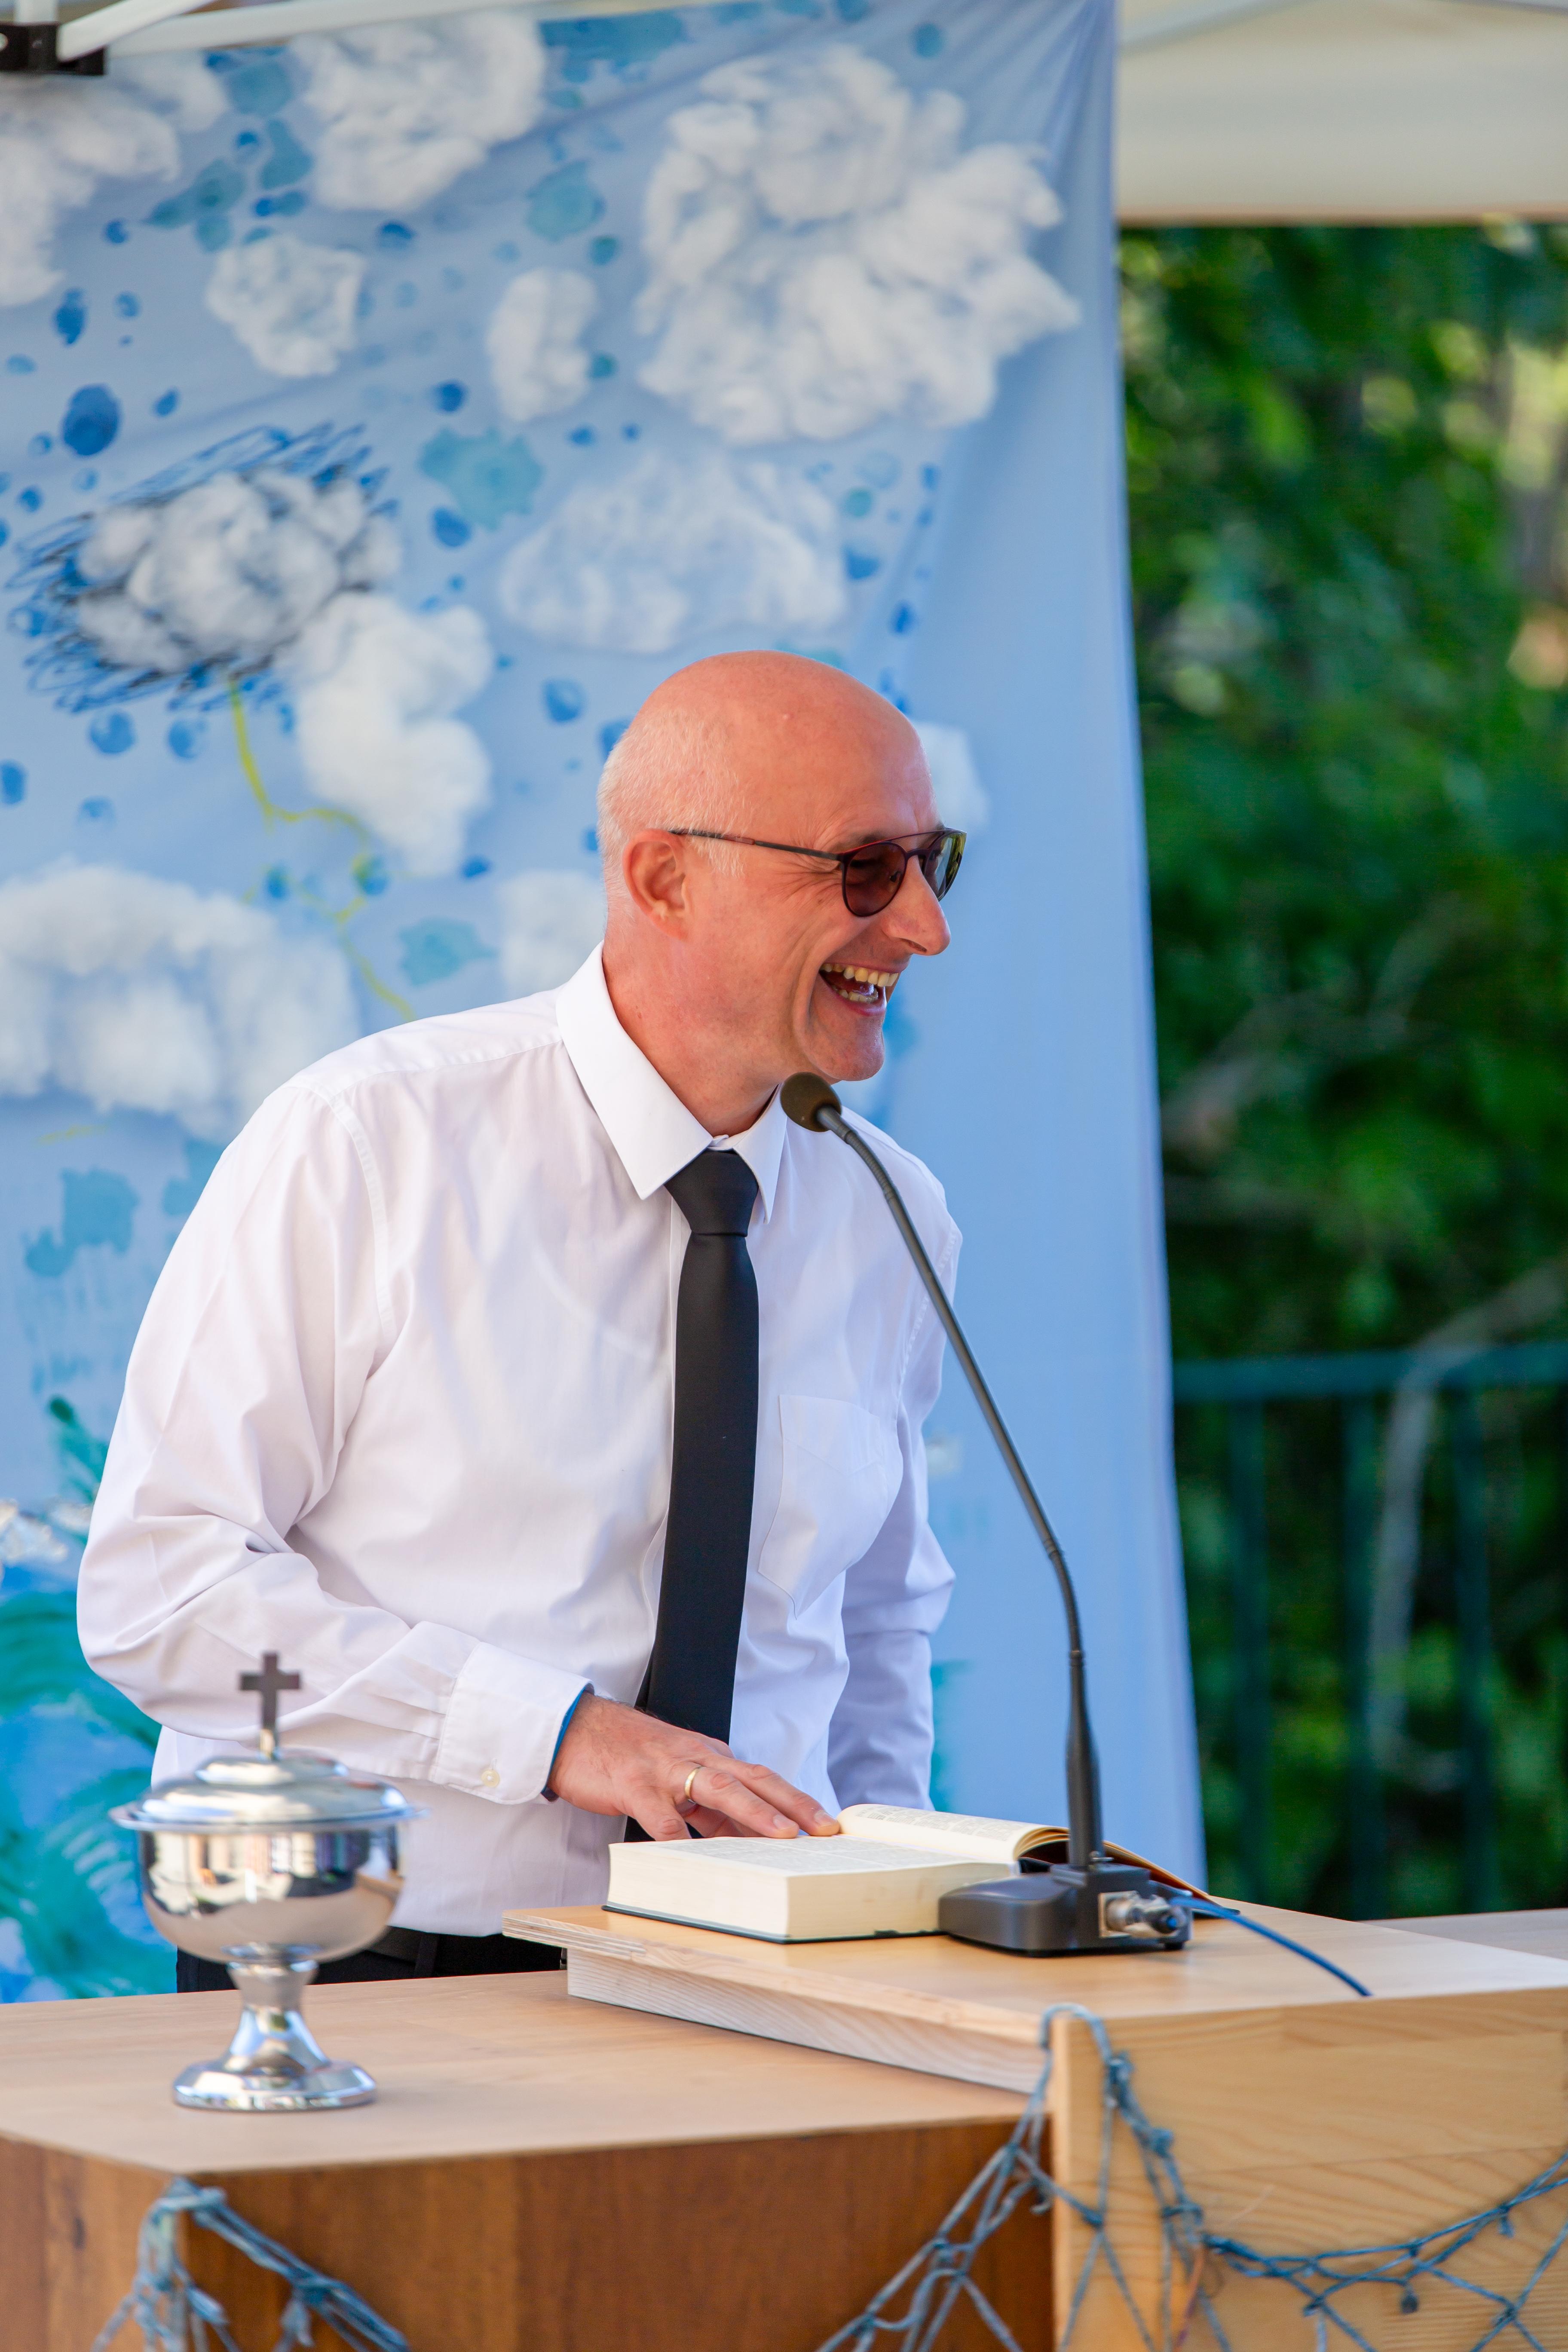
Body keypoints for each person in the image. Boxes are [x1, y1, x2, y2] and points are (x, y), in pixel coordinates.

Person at [78, 651, 967, 1986]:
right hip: (370, 1975)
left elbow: (877, 1632)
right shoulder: (365, 1142)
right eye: (864, 869)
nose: (923, 928)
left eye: (932, 864)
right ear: (665, 879)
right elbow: (163, 1588)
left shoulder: (893, 1213)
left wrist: (893, 1913)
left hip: (766, 1983)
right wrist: (558, 1735)